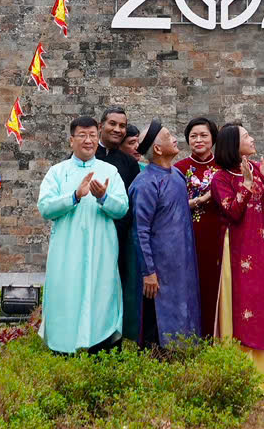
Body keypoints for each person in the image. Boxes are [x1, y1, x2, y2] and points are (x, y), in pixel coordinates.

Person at [37, 116, 128, 354]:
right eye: (82, 136)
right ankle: (63, 351)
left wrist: (104, 198)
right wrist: (74, 196)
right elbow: (45, 207)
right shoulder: (57, 172)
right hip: (67, 253)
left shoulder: (110, 171)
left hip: (101, 252)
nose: (88, 141)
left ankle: (100, 348)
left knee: (101, 298)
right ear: (71, 141)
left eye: (92, 136)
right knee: (66, 298)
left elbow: (123, 209)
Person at [211, 120, 264, 388]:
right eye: (247, 136)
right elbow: (231, 211)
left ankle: (263, 377)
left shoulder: (258, 168)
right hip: (238, 250)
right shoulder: (219, 178)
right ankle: (240, 377)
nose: (253, 140)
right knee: (241, 307)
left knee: (263, 305)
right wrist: (245, 185)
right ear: (234, 145)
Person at [128, 121, 200, 345]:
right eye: (169, 136)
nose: (175, 139)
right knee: (157, 330)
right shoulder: (145, 183)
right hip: (159, 271)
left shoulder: (177, 175)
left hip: (183, 265)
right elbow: (140, 231)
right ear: (157, 149)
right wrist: (148, 272)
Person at [97, 108, 146, 340]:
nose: (117, 129)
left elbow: (133, 204)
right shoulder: (83, 158)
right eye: (113, 124)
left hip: (120, 238)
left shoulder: (129, 163)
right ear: (101, 125)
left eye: (122, 126)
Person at [177, 118, 226, 333]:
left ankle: (217, 334)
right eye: (193, 136)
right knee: (191, 286)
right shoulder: (178, 169)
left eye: (203, 135)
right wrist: (200, 200)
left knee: (217, 285)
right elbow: (173, 207)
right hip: (189, 235)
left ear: (213, 138)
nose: (198, 140)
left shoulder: (224, 166)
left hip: (219, 234)